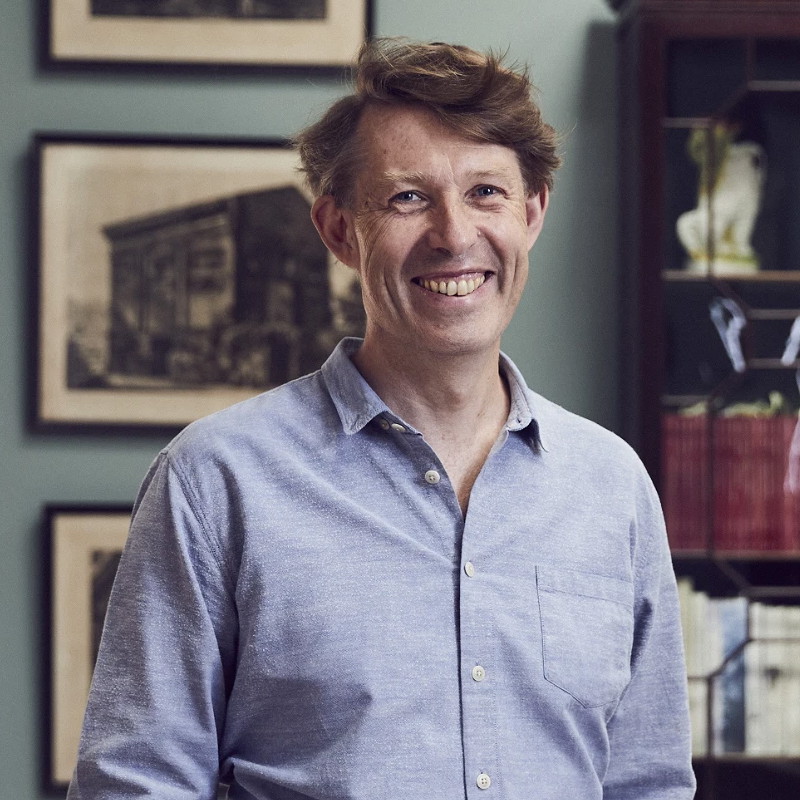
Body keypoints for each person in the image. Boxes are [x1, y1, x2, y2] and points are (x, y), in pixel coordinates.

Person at [68, 38, 696, 800]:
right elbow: (138, 785)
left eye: (487, 193)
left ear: (532, 213)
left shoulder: (613, 487)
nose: (455, 235)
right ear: (338, 230)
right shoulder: (215, 480)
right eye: (407, 197)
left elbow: (649, 784)